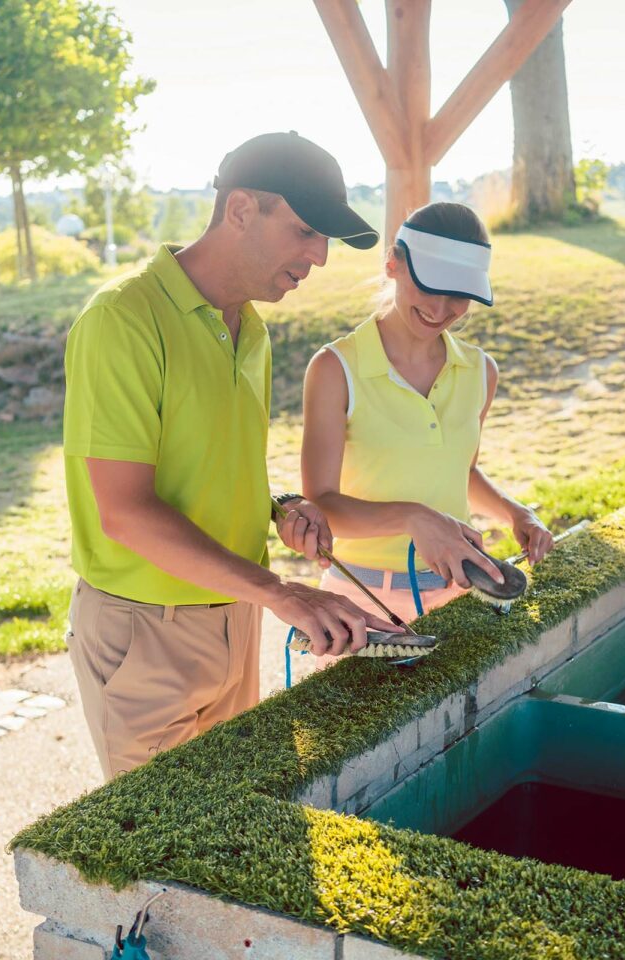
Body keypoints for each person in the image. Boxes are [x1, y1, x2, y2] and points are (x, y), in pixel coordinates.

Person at [63, 131, 397, 779]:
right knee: (164, 857)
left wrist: (277, 508)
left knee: (243, 827)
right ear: (241, 209)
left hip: (237, 615)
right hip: (145, 632)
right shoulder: (121, 320)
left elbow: (206, 460)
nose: (320, 258)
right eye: (305, 232)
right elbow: (126, 513)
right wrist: (282, 593)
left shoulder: (252, 326)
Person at [301, 201, 554, 629]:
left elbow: (462, 473)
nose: (440, 310)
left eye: (459, 296)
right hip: (363, 605)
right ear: (392, 264)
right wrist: (414, 516)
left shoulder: (480, 371)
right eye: (429, 287)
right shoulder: (334, 368)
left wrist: (517, 514)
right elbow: (320, 506)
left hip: (459, 594)